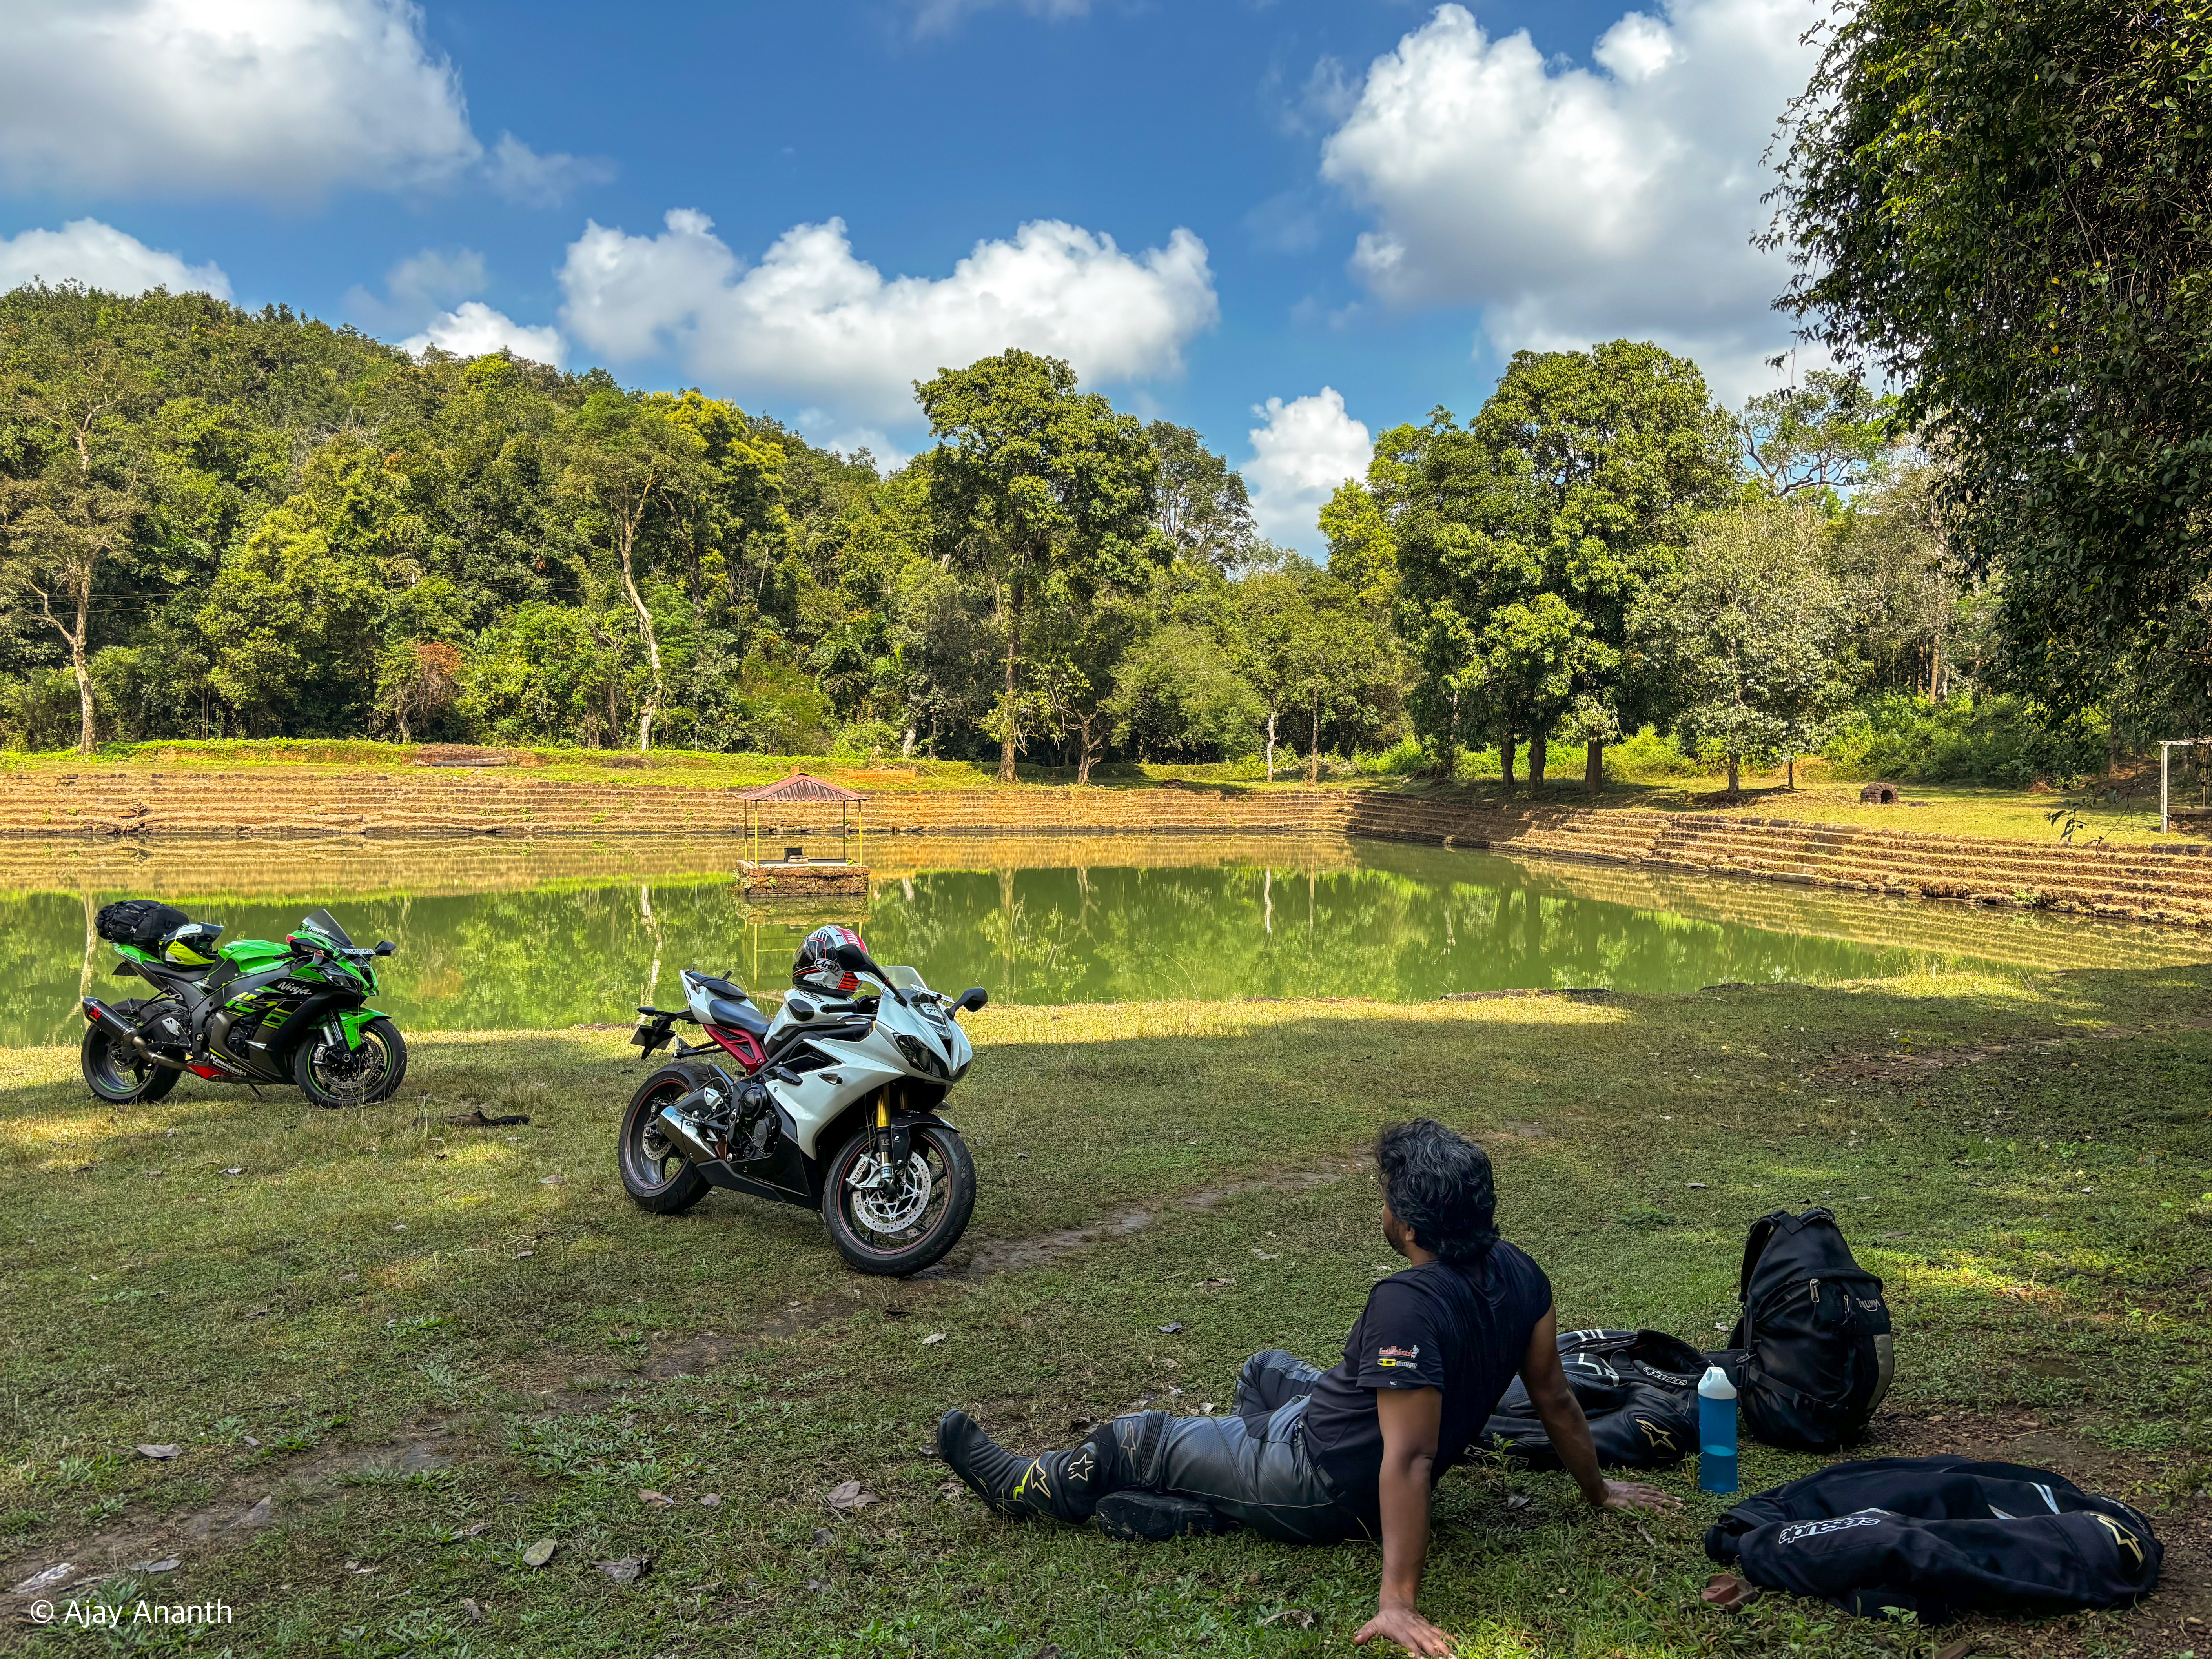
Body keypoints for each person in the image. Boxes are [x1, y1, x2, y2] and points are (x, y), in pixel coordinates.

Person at [937, 1118, 1680, 1655]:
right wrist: (1598, 1490)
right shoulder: (1520, 1270)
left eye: (1385, 1196)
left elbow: (1412, 1458)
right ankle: (1213, 1508)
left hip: (1321, 1479)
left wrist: (1397, 1603)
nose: (1380, 1206)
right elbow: (1553, 1396)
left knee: (1137, 1439)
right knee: (1263, 1368)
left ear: (1408, 1225)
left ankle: (1026, 1487)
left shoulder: (1407, 1303)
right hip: (1331, 1432)